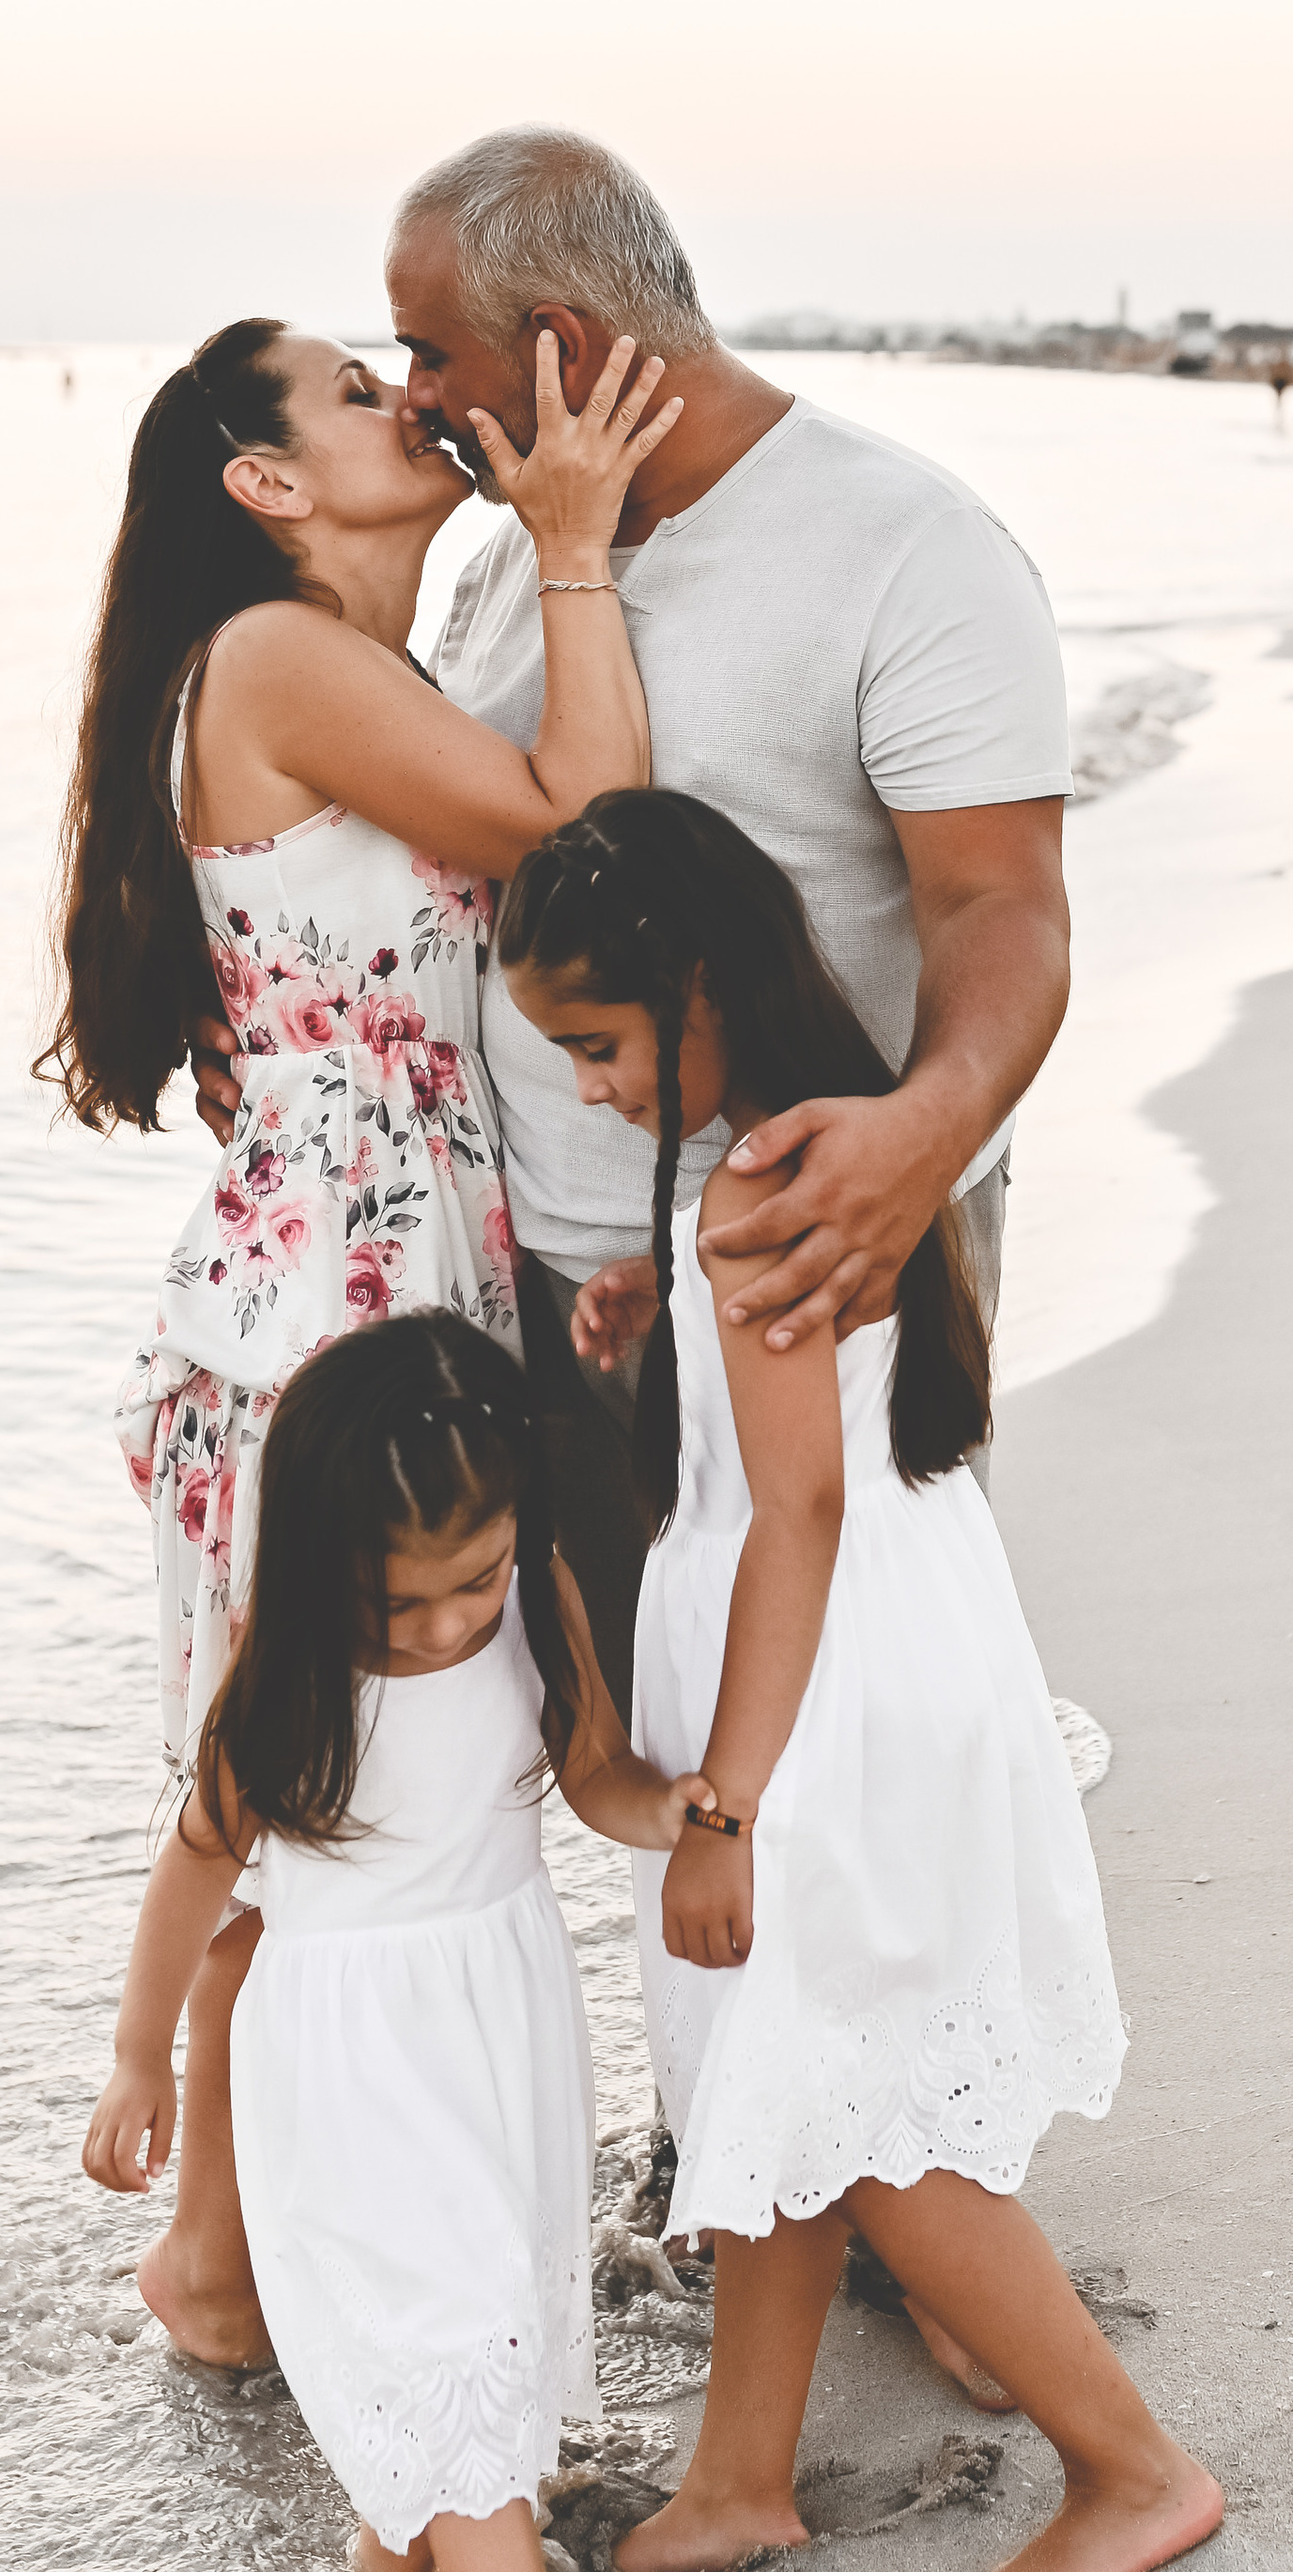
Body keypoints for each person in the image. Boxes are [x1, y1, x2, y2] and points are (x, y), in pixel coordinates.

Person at [499, 791, 1223, 2572]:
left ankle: (1133, 2469)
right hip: (893, 1632)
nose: (585, 1089)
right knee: (786, 2079)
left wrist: (724, 1805)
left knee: (878, 2121)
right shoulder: (832, 1143)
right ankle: (742, 2473)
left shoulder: (755, 1187)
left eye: (599, 1045)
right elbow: (818, 1420)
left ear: (698, 990)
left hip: (808, 1690)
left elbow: (793, 1508)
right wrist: (664, 1330)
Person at [40, 310, 679, 2366]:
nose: (398, 390)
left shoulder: (340, 666)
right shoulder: (283, 656)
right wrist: (571, 531)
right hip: (337, 1310)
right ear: (266, 480)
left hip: (366, 1268)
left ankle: (229, 2271)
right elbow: (590, 823)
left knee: (330, 1785)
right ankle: (241, 2273)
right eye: (344, 386)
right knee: (311, 1786)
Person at [367, 128, 1074, 1726]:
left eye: (427, 350)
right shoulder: (517, 562)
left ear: (555, 348)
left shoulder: (909, 547)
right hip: (555, 1263)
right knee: (645, 1716)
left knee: (857, 1718)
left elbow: (1005, 904)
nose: (406, 393)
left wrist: (927, 1126)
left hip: (819, 1250)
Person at [82, 1313, 722, 2572]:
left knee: (488, 2304)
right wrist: (139, 2053)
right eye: (401, 1595)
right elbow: (193, 1874)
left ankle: (399, 2563)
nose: (443, 1623)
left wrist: (681, 1809)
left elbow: (590, 1773)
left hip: (500, 2023)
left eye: (473, 1577)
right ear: (317, 1567)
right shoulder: (286, 1684)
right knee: (448, 2345)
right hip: (353, 2055)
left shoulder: (527, 1603)